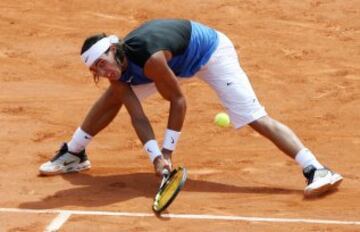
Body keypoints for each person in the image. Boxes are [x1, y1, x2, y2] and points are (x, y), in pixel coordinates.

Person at [39, 19, 342, 197]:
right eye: (96, 70)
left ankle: (315, 168)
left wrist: (168, 151)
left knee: (254, 117)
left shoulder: (150, 58)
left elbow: (178, 100)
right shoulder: (116, 72)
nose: (103, 72)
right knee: (112, 98)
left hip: (210, 54)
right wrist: (154, 157)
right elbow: (138, 116)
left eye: (103, 64)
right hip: (173, 62)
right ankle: (75, 152)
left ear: (115, 52)